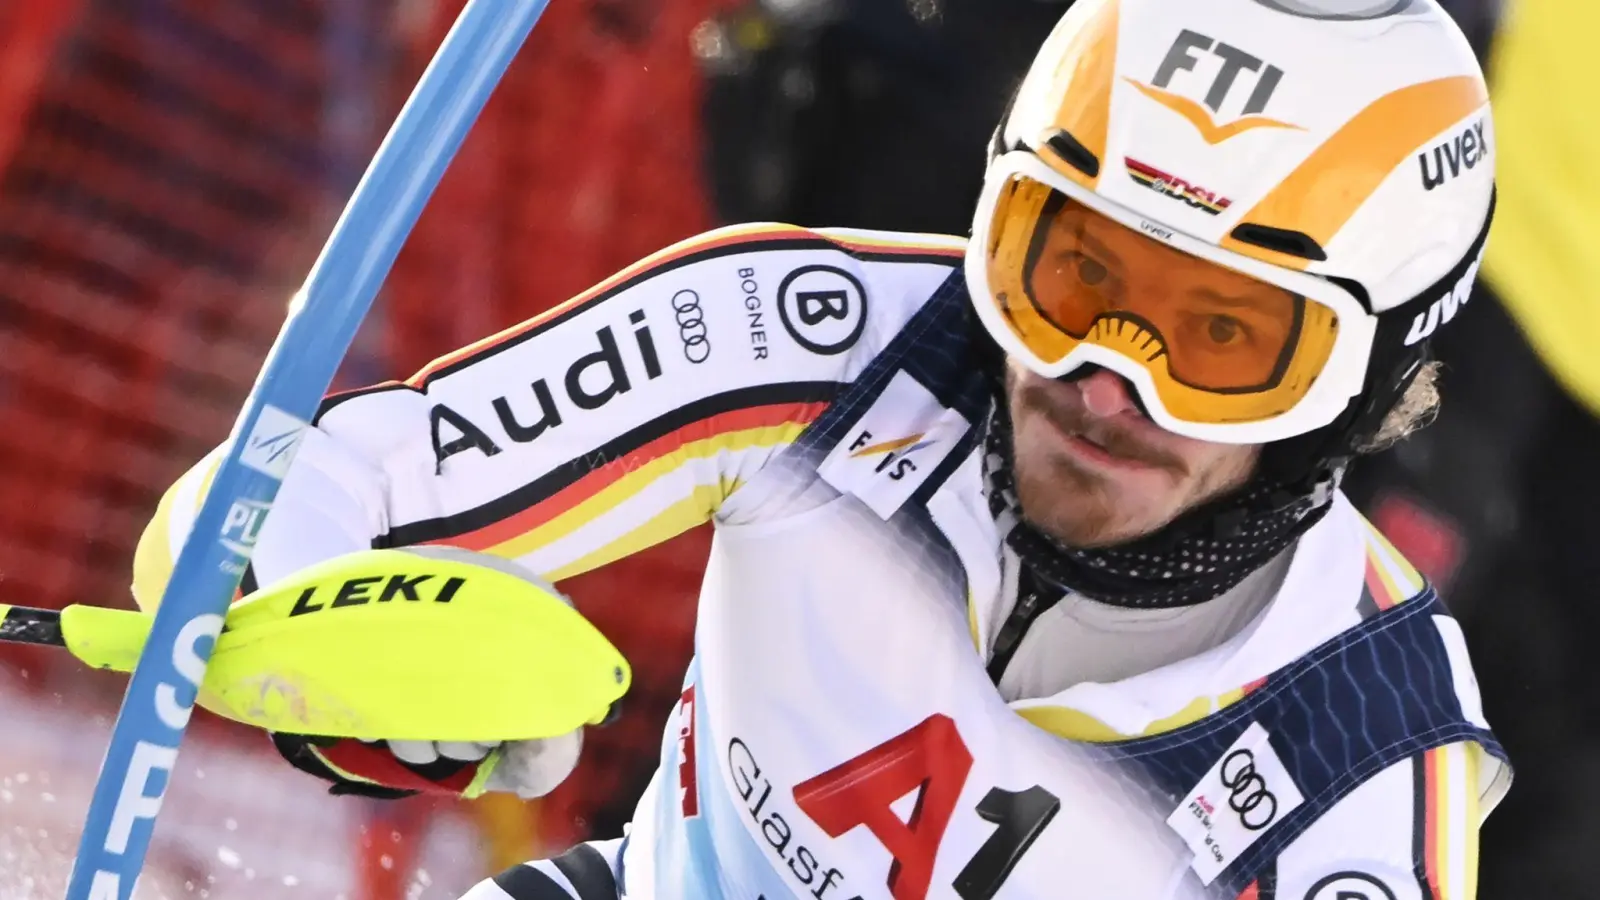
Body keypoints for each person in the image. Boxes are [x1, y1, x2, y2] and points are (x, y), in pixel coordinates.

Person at [132, 1, 1509, 896]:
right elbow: (285, 491)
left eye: (1217, 338)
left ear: (1358, 379)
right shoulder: (829, 335)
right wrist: (332, 640)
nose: (1104, 385)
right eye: (1071, 273)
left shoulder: (1365, 742)